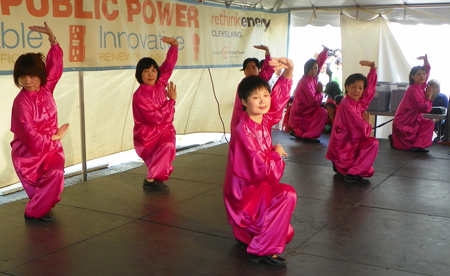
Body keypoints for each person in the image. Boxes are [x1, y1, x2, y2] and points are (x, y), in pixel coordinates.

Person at [223, 57, 297, 266]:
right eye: (256, 97)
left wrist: (289, 72)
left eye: (266, 95)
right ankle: (260, 249)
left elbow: (278, 102)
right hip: (246, 198)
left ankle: (246, 234)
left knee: (287, 231)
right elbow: (265, 171)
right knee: (287, 195)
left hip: (256, 191)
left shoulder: (260, 120)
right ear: (244, 102)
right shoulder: (243, 131)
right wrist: (275, 153)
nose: (264, 100)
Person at [10, 22, 68, 222]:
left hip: (51, 149)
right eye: (23, 77)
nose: (27, 81)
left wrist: (52, 39)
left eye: (32, 75)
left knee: (56, 173)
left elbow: (56, 66)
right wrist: (55, 136)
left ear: (40, 76)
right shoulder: (21, 102)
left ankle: (39, 207)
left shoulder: (45, 88)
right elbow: (29, 135)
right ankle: (33, 212)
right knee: (45, 185)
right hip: (29, 154)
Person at [132, 37, 178, 191]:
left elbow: (168, 66)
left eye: (153, 70)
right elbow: (156, 118)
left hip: (165, 130)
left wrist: (174, 46)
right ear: (140, 74)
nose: (151, 74)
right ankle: (151, 179)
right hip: (148, 135)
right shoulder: (140, 96)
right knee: (165, 148)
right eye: (146, 71)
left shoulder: (159, 84)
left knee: (168, 146)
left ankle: (153, 179)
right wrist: (171, 101)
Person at [326, 61, 378, 184]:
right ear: (347, 87)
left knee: (369, 171)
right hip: (343, 151)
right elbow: (361, 131)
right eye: (354, 87)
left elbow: (368, 92)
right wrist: (367, 123)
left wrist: (372, 70)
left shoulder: (356, 103)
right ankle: (351, 173)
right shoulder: (347, 105)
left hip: (349, 148)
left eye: (360, 88)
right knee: (373, 144)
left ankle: (342, 167)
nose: (357, 91)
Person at [391, 55, 434, 152]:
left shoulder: (420, 86)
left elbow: (427, 73)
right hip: (405, 123)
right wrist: (429, 97)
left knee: (428, 123)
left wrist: (426, 62)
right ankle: (413, 145)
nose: (422, 76)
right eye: (419, 74)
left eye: (423, 74)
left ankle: (418, 145)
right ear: (413, 76)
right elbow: (423, 108)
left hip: (412, 121)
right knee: (408, 144)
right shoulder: (414, 89)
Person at [289, 46, 329, 143]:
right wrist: (320, 92)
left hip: (304, 113)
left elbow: (319, 63)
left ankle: (300, 133)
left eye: (315, 69)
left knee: (322, 112)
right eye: (311, 69)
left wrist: (325, 51)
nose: (314, 71)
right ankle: (309, 136)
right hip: (302, 114)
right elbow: (313, 102)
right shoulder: (306, 82)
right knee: (322, 112)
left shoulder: (312, 78)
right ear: (306, 69)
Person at [231, 45, 274, 131]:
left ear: (259, 69)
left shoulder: (261, 80)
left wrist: (267, 52)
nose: (251, 70)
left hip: (260, 118)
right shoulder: (243, 85)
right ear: (244, 71)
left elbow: (268, 69)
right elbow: (240, 107)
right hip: (244, 120)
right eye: (248, 68)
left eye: (254, 68)